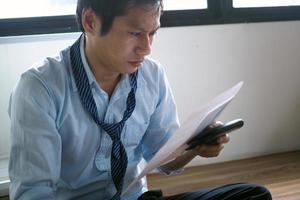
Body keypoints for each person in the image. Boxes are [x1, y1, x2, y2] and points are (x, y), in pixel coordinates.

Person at [8, 0, 272, 199]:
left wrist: (195, 148)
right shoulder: (40, 87)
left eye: (153, 33)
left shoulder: (151, 75)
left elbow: (164, 157)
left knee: (253, 194)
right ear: (90, 22)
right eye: (135, 33)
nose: (146, 48)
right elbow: (34, 192)